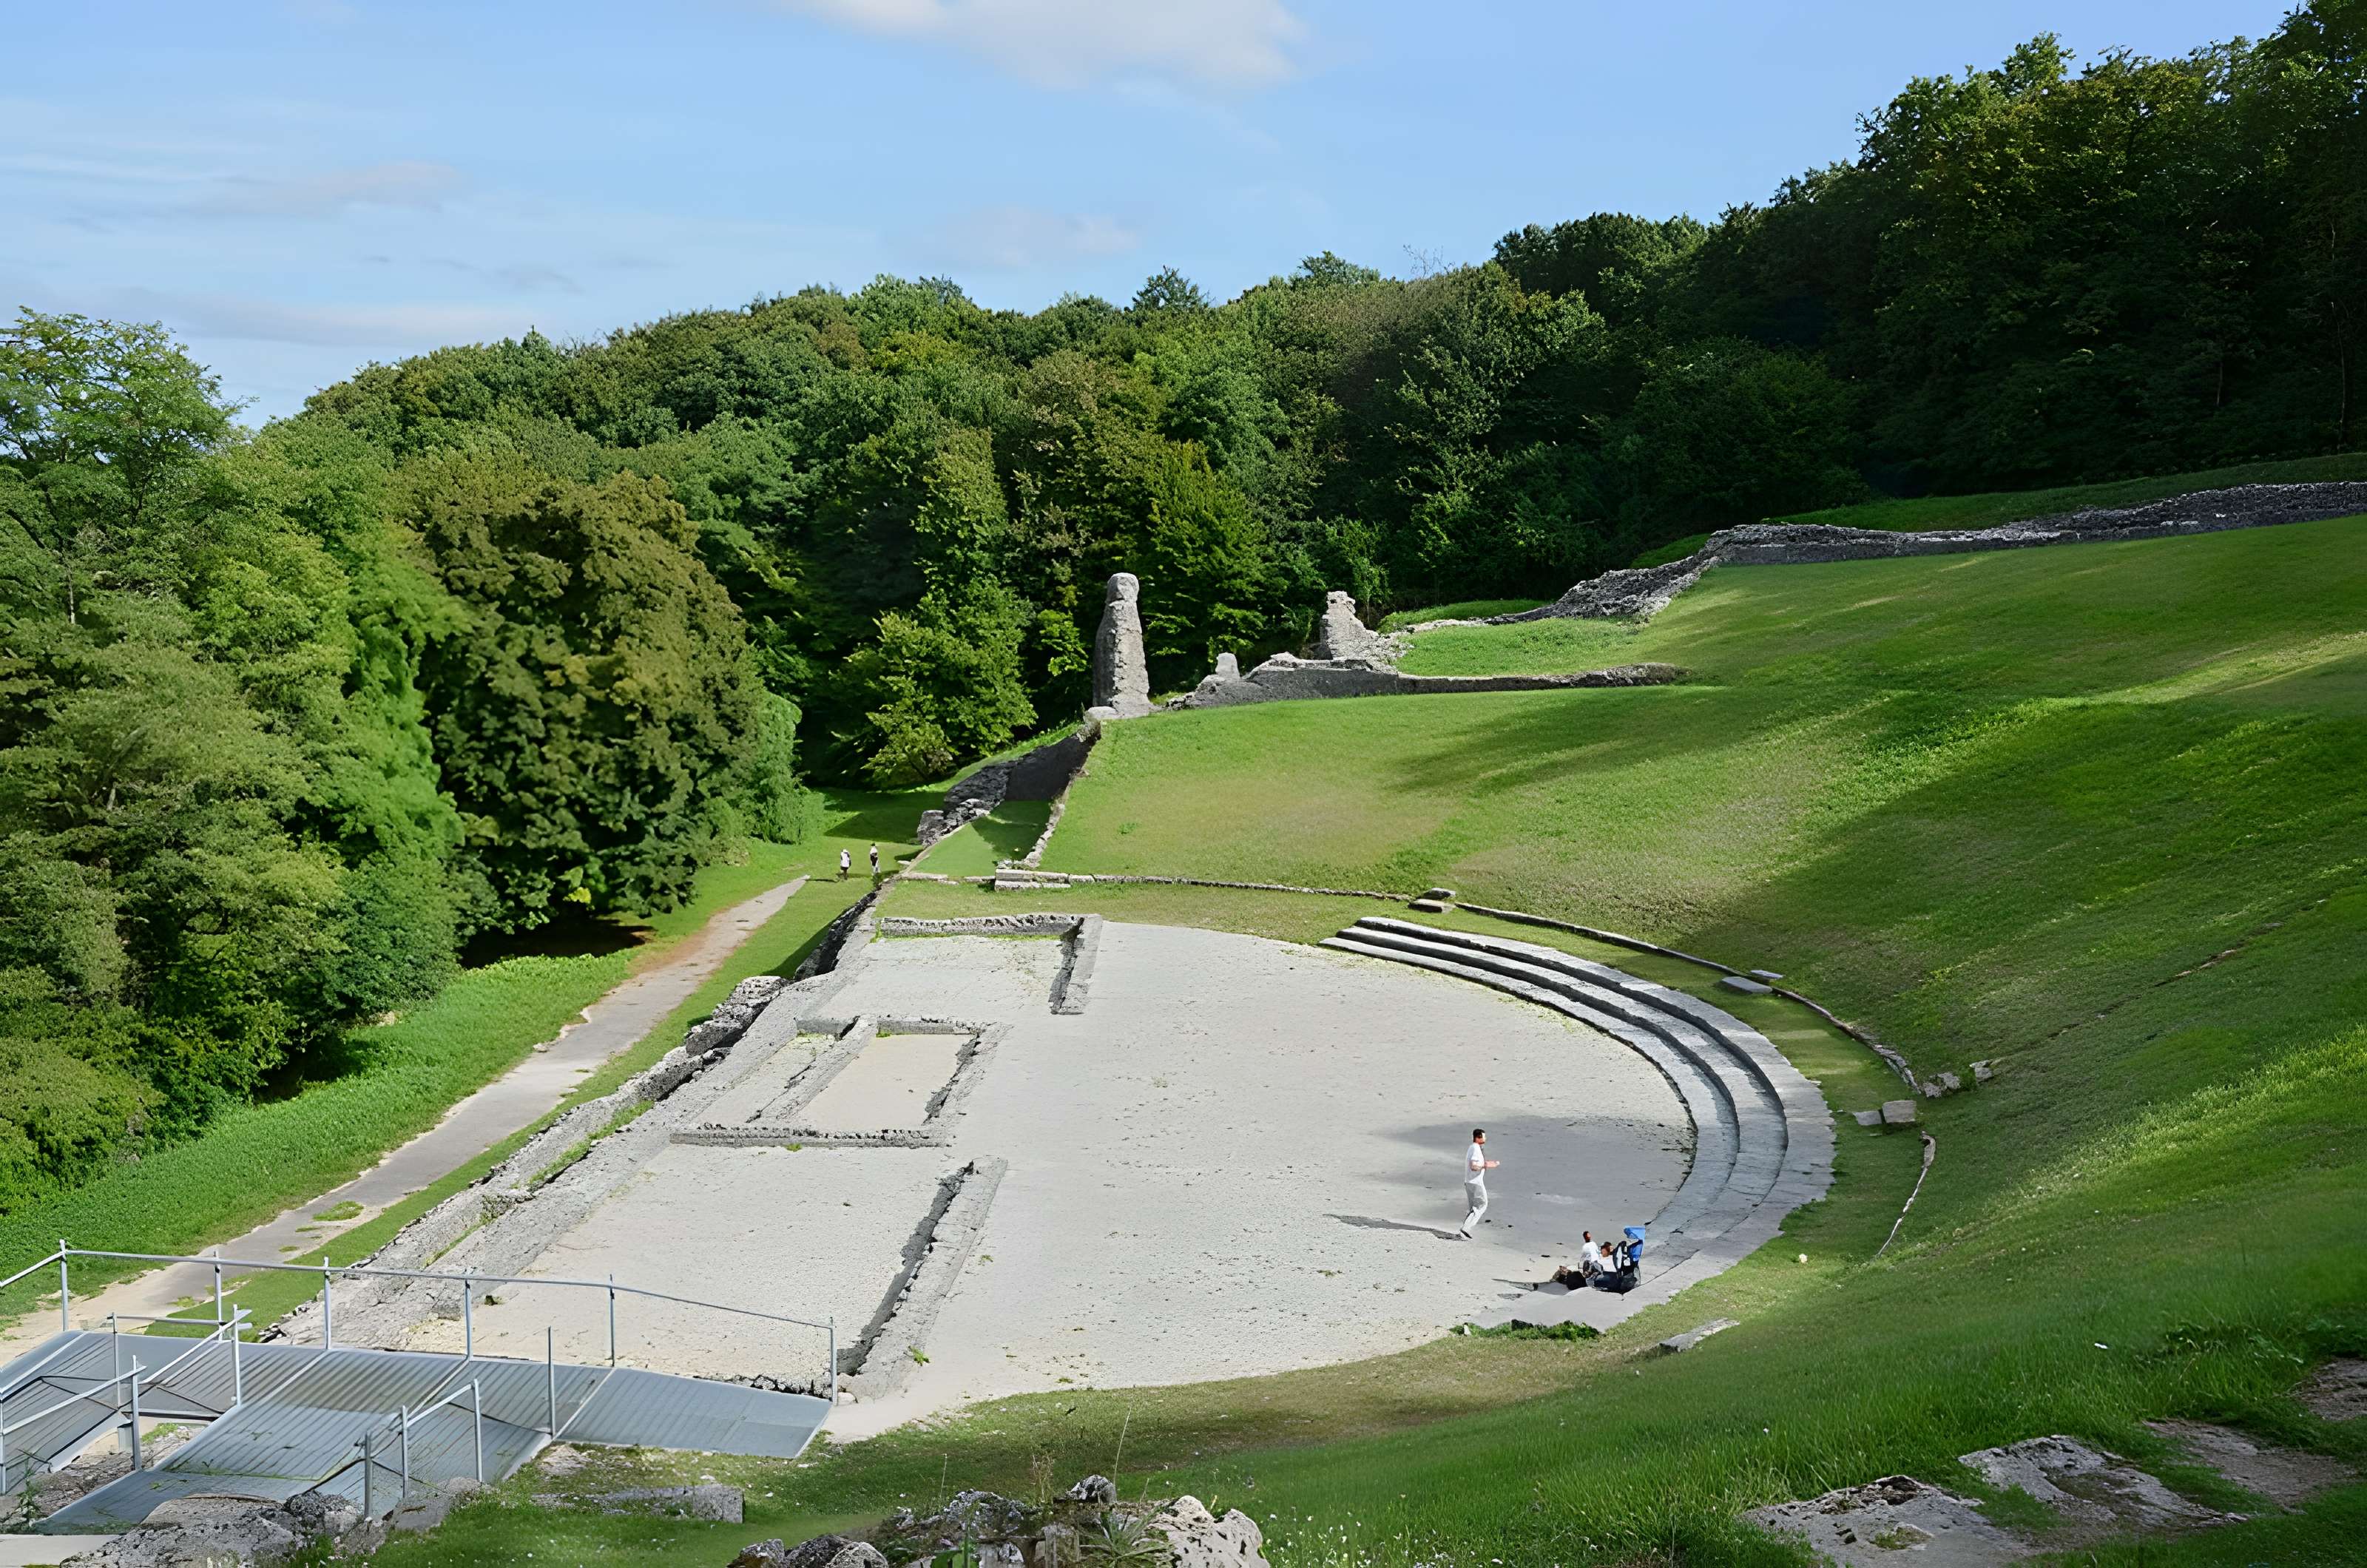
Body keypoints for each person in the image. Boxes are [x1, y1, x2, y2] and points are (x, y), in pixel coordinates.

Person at [1459, 1128, 1497, 1239]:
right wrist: (1485, 1166)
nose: (1486, 1138)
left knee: (1473, 1208)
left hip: (1469, 1182)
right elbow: (1474, 1166)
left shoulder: (1474, 1148)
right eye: (1484, 1136)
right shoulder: (1475, 1148)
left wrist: (1487, 1164)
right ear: (1479, 1137)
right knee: (1482, 1204)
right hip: (1476, 1183)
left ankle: (1463, 1233)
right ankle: (1466, 1228)